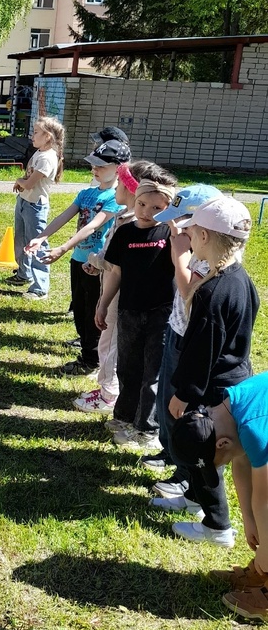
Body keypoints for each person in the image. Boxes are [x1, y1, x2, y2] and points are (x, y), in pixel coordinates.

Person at [161, 198, 259, 546]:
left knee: (203, 449)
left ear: (203, 236)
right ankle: (192, 499)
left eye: (190, 232)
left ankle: (217, 525)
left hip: (211, 387)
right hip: (233, 376)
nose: (187, 236)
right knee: (200, 449)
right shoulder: (240, 279)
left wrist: (184, 394)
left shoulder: (214, 293)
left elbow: (203, 351)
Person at [169, 391, 268, 630]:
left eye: (215, 463)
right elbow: (241, 459)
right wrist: (249, 519)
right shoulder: (228, 408)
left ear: (220, 444)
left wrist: (266, 551)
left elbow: (266, 497)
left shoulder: (252, 426)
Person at [73, 160, 175, 415]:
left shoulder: (150, 228)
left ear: (131, 188)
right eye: (144, 205)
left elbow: (113, 261)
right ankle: (114, 392)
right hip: (118, 297)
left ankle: (109, 395)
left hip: (134, 304)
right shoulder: (126, 222)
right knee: (118, 349)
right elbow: (114, 260)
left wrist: (96, 263)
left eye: (120, 182)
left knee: (113, 346)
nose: (115, 186)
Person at [26, 139, 129, 374]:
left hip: (97, 265)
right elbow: (64, 216)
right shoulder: (86, 193)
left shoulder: (115, 198)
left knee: (95, 314)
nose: (96, 169)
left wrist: (62, 248)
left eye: (102, 165)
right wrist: (41, 237)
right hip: (78, 261)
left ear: (119, 168)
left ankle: (92, 360)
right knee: (81, 312)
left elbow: (92, 227)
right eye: (94, 164)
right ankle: (87, 354)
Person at [146, 185, 224, 491]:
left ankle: (186, 477)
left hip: (192, 341)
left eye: (182, 222)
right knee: (167, 400)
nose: (174, 227)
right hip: (176, 330)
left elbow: (188, 289)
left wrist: (179, 252)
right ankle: (171, 451)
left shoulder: (211, 255)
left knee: (184, 408)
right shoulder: (195, 242)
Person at [94, 176, 176, 450]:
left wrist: (175, 224)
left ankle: (148, 429)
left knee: (153, 372)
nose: (146, 212)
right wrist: (104, 303)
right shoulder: (125, 233)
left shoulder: (170, 234)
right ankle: (124, 417)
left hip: (161, 314)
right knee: (129, 368)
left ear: (168, 208)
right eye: (141, 204)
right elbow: (115, 271)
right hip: (129, 311)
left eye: (156, 207)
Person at [7, 117, 65, 301]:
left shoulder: (48, 158)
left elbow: (30, 184)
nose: (32, 136)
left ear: (47, 136)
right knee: (21, 240)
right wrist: (21, 185)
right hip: (24, 201)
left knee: (37, 243)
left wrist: (19, 181)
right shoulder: (39, 153)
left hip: (35, 206)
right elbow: (29, 176)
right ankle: (24, 274)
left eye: (36, 132)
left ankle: (40, 287)